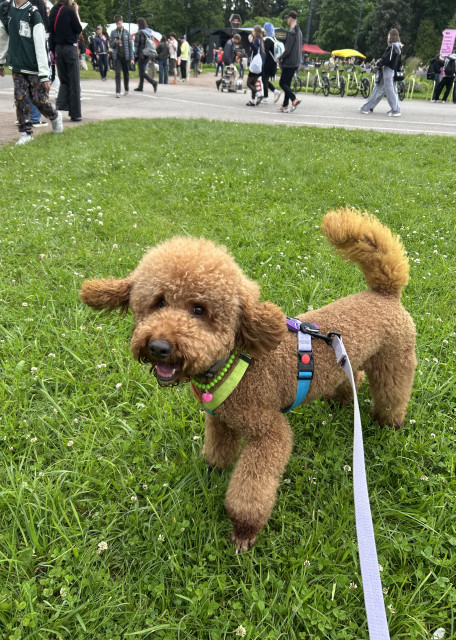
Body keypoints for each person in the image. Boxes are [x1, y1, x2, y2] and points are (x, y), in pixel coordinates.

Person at [0, 0, 63, 144]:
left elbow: (41, 46)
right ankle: (26, 133)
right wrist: (1, 61)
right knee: (20, 99)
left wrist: (44, 75)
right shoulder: (6, 10)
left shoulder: (33, 14)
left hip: (33, 67)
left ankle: (54, 116)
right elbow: (3, 37)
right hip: (17, 66)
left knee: (39, 99)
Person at [48, 0, 82, 122]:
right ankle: (75, 113)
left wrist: (53, 49)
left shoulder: (53, 10)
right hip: (69, 48)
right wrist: (76, 12)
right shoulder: (69, 11)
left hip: (58, 49)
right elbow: (78, 29)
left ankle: (59, 106)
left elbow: (50, 31)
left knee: (64, 81)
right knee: (74, 82)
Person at [359, 28, 402, 117]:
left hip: (387, 70)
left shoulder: (393, 47)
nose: (387, 37)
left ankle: (396, 110)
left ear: (391, 36)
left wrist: (379, 63)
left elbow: (387, 59)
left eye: (389, 35)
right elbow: (393, 60)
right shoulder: (396, 47)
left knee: (388, 90)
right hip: (387, 70)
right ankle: (367, 107)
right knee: (378, 89)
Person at [277, 10, 302, 113]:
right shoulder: (299, 32)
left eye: (288, 18)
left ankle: (294, 99)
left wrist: (280, 58)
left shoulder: (291, 32)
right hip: (296, 62)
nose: (287, 20)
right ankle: (285, 105)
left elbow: (288, 50)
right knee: (287, 83)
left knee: (282, 83)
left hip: (289, 62)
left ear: (290, 18)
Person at [109, 14, 134, 98]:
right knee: (117, 74)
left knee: (126, 73)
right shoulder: (113, 32)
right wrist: (115, 42)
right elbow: (111, 45)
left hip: (126, 57)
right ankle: (118, 91)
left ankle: (126, 89)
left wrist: (132, 58)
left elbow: (130, 46)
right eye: (117, 24)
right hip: (117, 57)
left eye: (119, 23)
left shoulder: (127, 32)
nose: (118, 25)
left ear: (122, 22)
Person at [134, 17, 157, 93]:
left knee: (142, 72)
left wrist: (135, 55)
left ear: (139, 24)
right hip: (147, 54)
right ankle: (140, 86)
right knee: (142, 70)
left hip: (141, 54)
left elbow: (136, 45)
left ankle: (153, 82)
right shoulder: (149, 32)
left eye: (137, 23)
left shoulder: (139, 33)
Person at [246, 25, 265, 106]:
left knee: (249, 83)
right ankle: (253, 101)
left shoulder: (256, 40)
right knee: (253, 83)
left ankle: (258, 94)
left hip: (255, 65)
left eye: (253, 30)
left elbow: (255, 50)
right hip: (259, 65)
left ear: (256, 32)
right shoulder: (260, 40)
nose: (252, 32)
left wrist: (250, 42)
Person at [262, 22, 281, 103]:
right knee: (265, 79)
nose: (264, 31)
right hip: (273, 63)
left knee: (264, 79)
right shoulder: (274, 39)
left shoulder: (267, 40)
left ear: (267, 30)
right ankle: (274, 92)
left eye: (265, 29)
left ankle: (266, 96)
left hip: (267, 63)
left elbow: (265, 52)